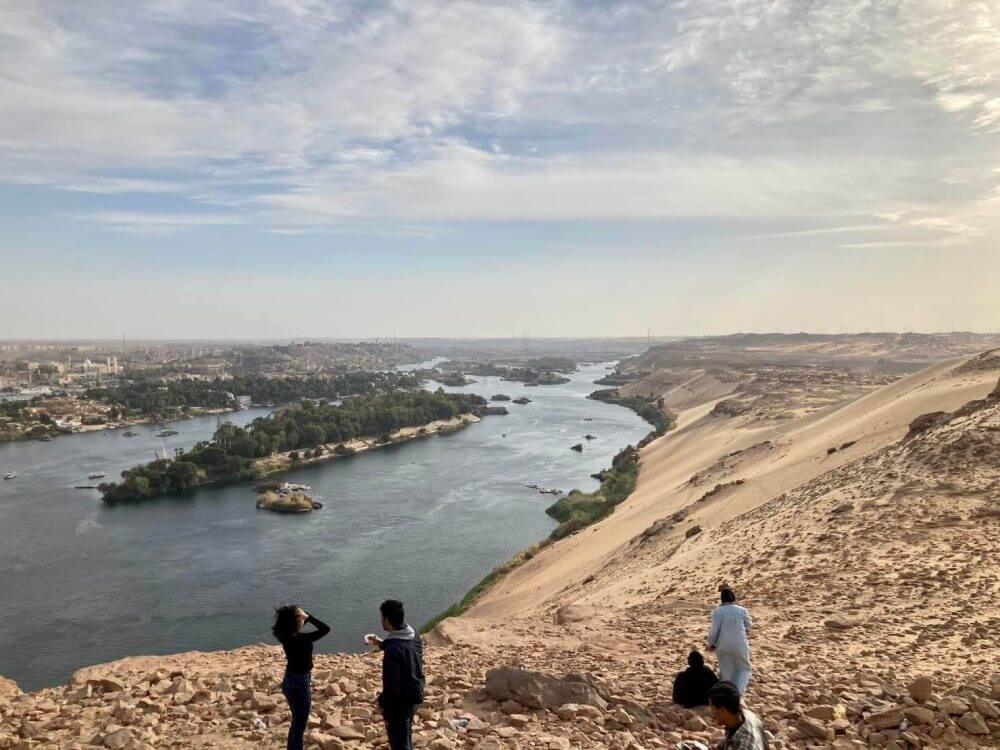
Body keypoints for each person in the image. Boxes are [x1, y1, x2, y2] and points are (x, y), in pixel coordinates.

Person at [368, 599, 425, 750]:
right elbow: (403, 647)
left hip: (400, 703)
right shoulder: (413, 634)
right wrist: (381, 643)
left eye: (382, 617)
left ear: (386, 620)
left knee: (399, 743)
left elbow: (392, 687)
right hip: (416, 692)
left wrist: (382, 704)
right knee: (406, 734)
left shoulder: (393, 650)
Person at [272, 605, 331, 750]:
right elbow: (325, 629)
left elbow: (296, 624)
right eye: (300, 617)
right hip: (300, 683)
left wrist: (300, 615)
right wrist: (309, 617)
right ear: (295, 621)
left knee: (297, 722)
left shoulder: (284, 634)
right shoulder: (301, 639)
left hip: (289, 681)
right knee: (299, 726)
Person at [707, 587, 753, 693]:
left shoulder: (717, 612)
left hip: (722, 645)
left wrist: (711, 644)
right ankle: (739, 693)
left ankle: (726, 693)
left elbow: (714, 631)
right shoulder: (741, 610)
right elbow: (749, 625)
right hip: (740, 644)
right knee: (744, 668)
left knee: (726, 670)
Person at [708, 680, 769, 749]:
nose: (711, 713)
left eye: (712, 708)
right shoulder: (742, 715)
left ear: (723, 711)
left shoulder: (746, 742)